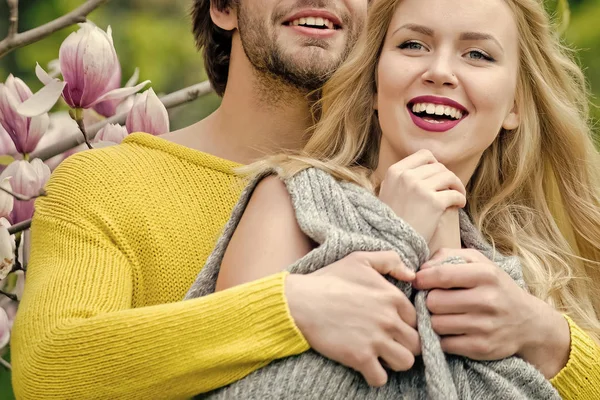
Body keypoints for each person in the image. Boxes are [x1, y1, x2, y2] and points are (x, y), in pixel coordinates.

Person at [9, 1, 420, 399]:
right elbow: (50, 369)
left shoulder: (414, 188)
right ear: (224, 7)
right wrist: (287, 308)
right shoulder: (106, 183)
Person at [190, 0, 600, 398]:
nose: (439, 72)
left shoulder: (536, 269)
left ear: (516, 105)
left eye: (477, 54)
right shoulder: (292, 201)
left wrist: (546, 337)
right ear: (373, 83)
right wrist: (393, 237)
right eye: (413, 45)